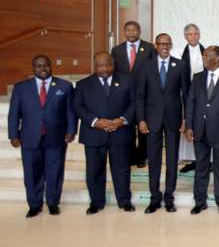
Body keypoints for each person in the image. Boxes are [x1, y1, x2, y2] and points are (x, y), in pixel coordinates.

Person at [8, 55, 76, 217]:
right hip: (29, 137)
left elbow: (70, 112)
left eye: (46, 65)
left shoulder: (64, 86)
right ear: (33, 68)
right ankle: (34, 205)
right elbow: (14, 113)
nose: (43, 69)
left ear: (51, 66)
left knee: (55, 171)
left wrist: (71, 130)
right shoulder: (21, 87)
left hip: (56, 137)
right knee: (31, 173)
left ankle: (53, 203)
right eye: (38, 66)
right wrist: (13, 134)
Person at [74, 52, 135, 215]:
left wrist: (122, 120)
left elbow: (134, 103)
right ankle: (96, 202)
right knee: (94, 170)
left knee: (121, 169)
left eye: (108, 64)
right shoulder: (83, 84)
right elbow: (78, 107)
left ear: (113, 64)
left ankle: (124, 201)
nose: (105, 68)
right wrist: (95, 121)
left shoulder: (127, 81)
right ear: (95, 66)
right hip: (94, 134)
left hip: (120, 132)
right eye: (101, 65)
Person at [135, 34, 188, 213]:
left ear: (171, 45)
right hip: (151, 120)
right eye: (161, 43)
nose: (164, 46)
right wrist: (141, 119)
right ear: (156, 46)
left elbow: (186, 95)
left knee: (172, 160)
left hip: (173, 119)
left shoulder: (180, 65)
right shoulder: (146, 66)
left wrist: (186, 119)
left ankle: (169, 197)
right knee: (154, 160)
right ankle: (154, 198)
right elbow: (140, 95)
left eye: (167, 43)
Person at [185, 46, 219, 215]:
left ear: (217, 58)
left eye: (207, 55)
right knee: (201, 168)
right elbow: (191, 103)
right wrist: (189, 126)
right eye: (203, 55)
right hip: (199, 131)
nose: (204, 58)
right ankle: (200, 202)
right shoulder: (198, 77)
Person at [111, 20, 155, 169]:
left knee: (143, 126)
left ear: (139, 31)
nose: (131, 33)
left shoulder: (149, 48)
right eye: (128, 30)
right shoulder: (116, 50)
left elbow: (154, 70)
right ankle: (130, 156)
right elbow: (114, 72)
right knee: (127, 125)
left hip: (145, 93)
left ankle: (142, 156)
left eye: (134, 30)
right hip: (124, 93)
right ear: (124, 32)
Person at [179, 23, 204, 172]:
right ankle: (192, 160)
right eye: (190, 34)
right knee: (188, 126)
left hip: (203, 96)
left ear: (199, 35)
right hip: (187, 95)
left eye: (195, 34)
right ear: (185, 36)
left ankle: (206, 160)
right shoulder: (179, 53)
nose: (193, 37)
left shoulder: (206, 51)